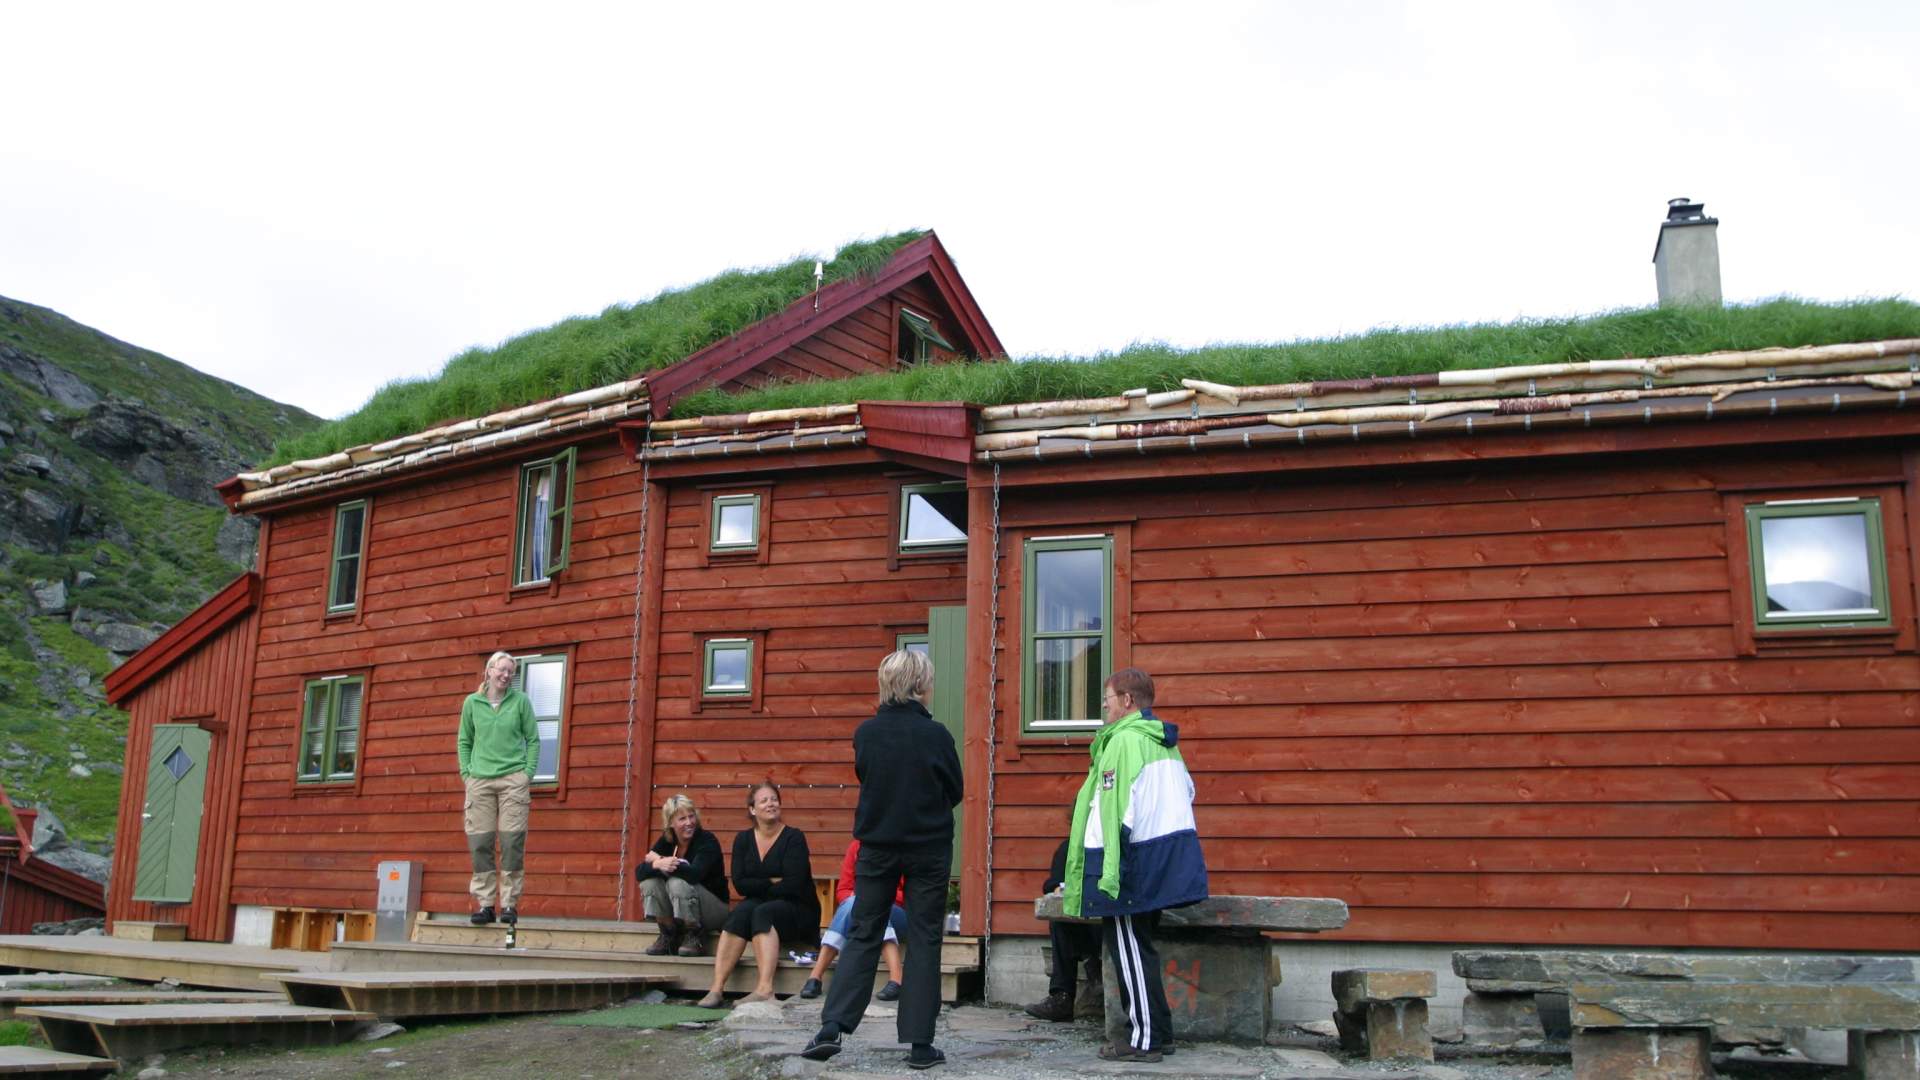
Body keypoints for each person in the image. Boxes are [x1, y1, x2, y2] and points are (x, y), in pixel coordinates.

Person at [802, 650, 963, 1071]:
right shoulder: (937, 735)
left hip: (876, 846)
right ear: (919, 685)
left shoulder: (866, 733)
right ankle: (920, 1044)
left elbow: (866, 776)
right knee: (926, 937)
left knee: (864, 931)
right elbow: (955, 789)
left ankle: (832, 1027)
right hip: (928, 847)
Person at [1064, 667, 1207, 1063]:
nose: (1104, 708)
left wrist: (1110, 870)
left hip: (1130, 865)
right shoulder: (1164, 742)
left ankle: (1144, 1041)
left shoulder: (1124, 742)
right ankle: (1160, 1032)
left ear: (1127, 700)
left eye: (1107, 700)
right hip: (1159, 859)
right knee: (1141, 949)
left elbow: (1115, 810)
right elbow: (1187, 793)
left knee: (1128, 951)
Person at [696, 781, 819, 1008]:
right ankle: (716, 988)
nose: (771, 804)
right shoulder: (743, 840)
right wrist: (772, 881)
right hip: (762, 904)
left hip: (799, 908)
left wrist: (760, 885)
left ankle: (765, 989)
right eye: (764, 800)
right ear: (752, 809)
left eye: (774, 799)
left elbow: (794, 884)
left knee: (761, 912)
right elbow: (740, 885)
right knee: (739, 913)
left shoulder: (794, 838)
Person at [456, 650, 539, 925]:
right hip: (479, 781)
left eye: (510, 672)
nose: (505, 676)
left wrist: (527, 774)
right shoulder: (472, 703)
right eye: (501, 670)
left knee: (511, 842)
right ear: (489, 670)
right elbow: (464, 741)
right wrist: (467, 774)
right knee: (480, 843)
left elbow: (534, 740)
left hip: (513, 781)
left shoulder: (520, 703)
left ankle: (510, 905)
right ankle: (486, 904)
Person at [801, 838, 906, 1001]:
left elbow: (911, 895)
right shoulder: (857, 846)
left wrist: (877, 896)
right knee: (857, 903)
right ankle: (896, 981)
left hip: (899, 912)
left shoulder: (904, 847)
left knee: (873, 905)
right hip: (859, 906)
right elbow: (843, 890)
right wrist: (861, 898)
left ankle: (815, 976)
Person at [635, 793, 729, 957]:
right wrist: (657, 864)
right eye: (682, 819)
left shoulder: (707, 840)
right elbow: (639, 872)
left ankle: (694, 935)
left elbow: (694, 875)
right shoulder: (667, 840)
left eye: (691, 816)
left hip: (714, 909)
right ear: (671, 822)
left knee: (676, 883)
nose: (689, 823)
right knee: (649, 882)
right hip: (683, 908)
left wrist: (660, 860)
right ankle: (668, 933)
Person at [1022, 836, 1102, 1022]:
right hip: (1082, 926)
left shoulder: (1117, 846)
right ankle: (1062, 998)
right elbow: (1054, 883)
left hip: (1113, 921)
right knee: (1060, 920)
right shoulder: (1069, 847)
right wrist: (1059, 887)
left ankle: (1095, 970)